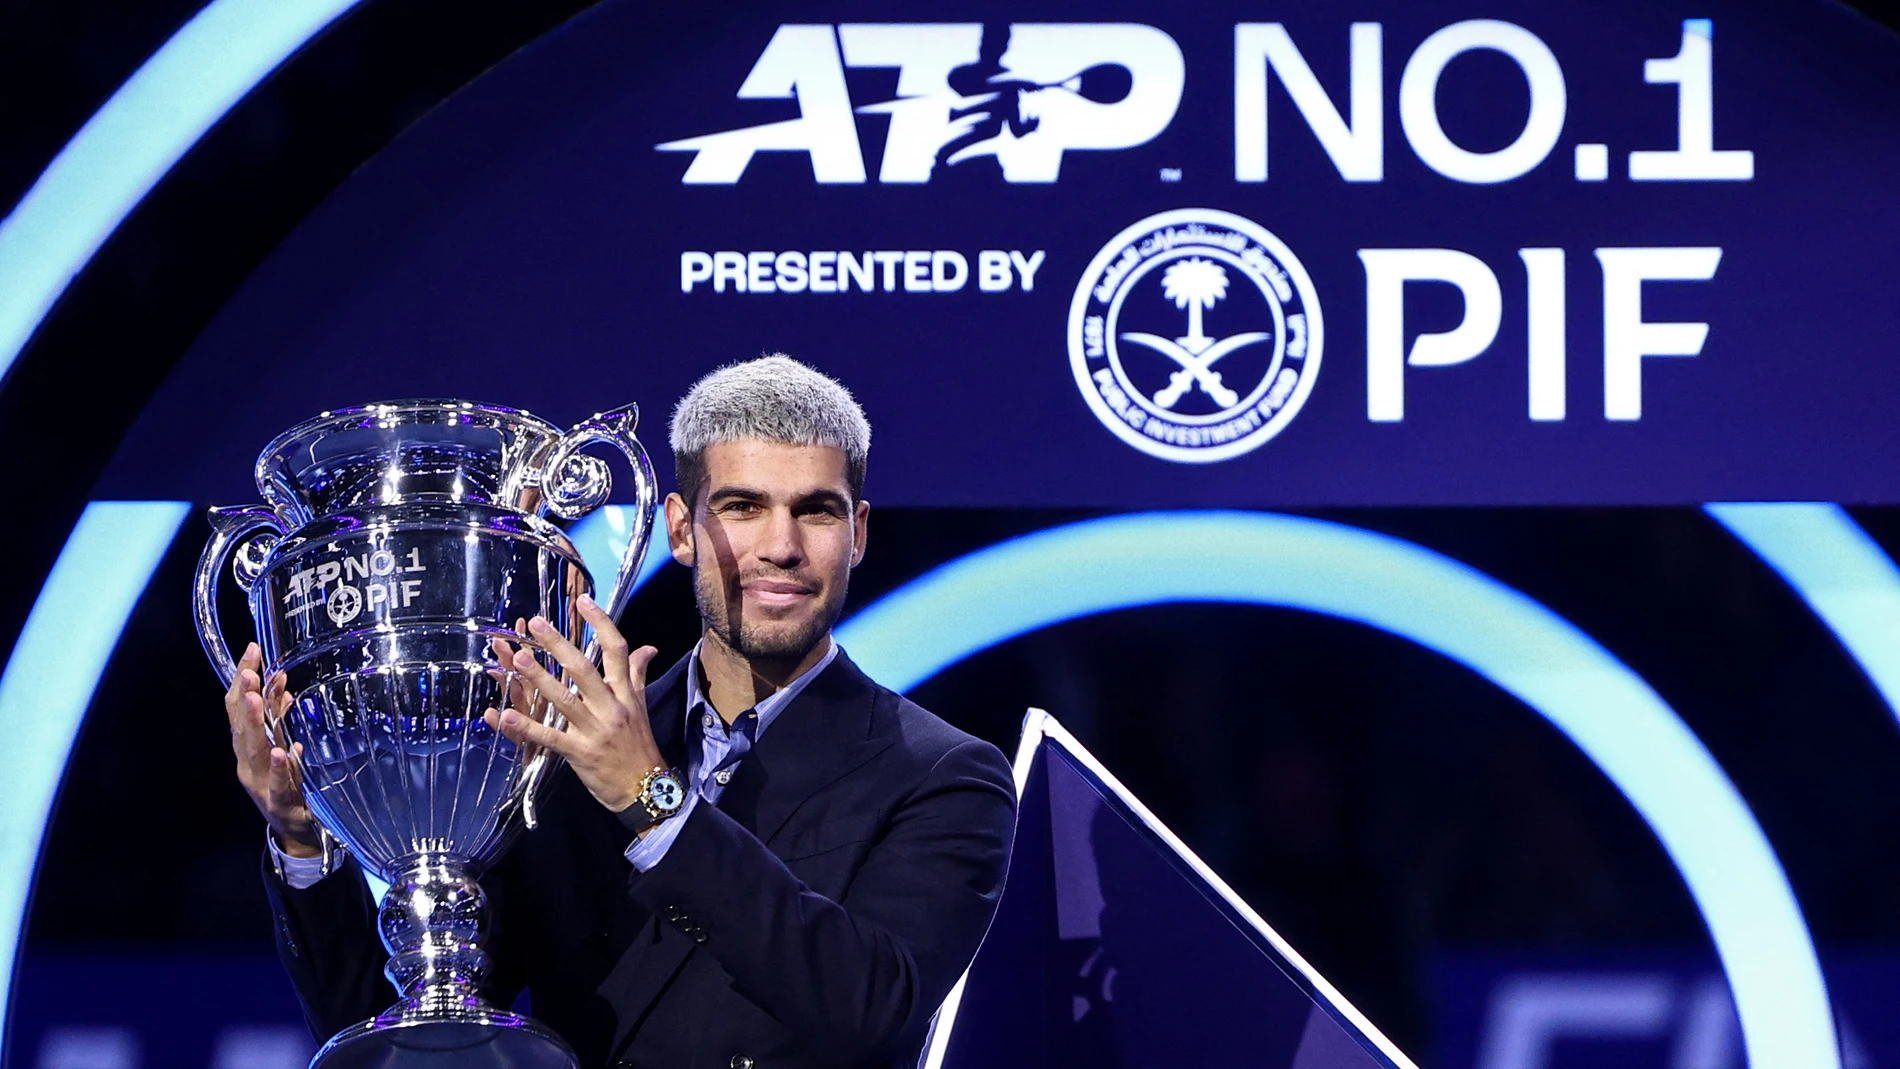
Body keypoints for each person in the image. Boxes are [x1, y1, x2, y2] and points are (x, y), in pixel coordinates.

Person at [223, 355, 1018, 1068]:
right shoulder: (561, 759)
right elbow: (410, 1038)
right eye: (742, 507)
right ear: (679, 528)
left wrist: (655, 801)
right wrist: (302, 837)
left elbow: (864, 1008)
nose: (782, 545)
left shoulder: (944, 774)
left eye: (816, 510)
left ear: (858, 533)